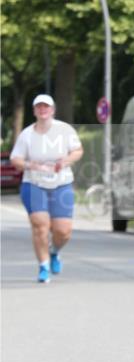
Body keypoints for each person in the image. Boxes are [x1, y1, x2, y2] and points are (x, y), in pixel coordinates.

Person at [10, 94, 83, 283]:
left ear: (52, 110)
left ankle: (54, 252)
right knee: (40, 226)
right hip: (34, 184)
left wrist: (65, 161)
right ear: (34, 111)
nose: (43, 110)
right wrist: (30, 165)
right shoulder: (27, 134)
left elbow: (78, 150)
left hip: (61, 183)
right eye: (39, 107)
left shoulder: (65, 130)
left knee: (63, 231)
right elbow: (15, 159)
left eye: (46, 106)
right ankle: (43, 266)